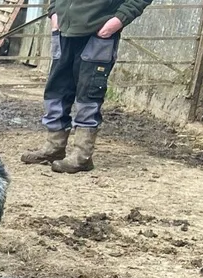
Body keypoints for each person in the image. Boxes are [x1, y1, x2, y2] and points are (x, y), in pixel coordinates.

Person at [21, 0, 153, 172]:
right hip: (63, 31)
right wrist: (54, 11)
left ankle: (82, 155)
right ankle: (54, 147)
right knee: (56, 90)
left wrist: (118, 20)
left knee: (88, 93)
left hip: (97, 33)